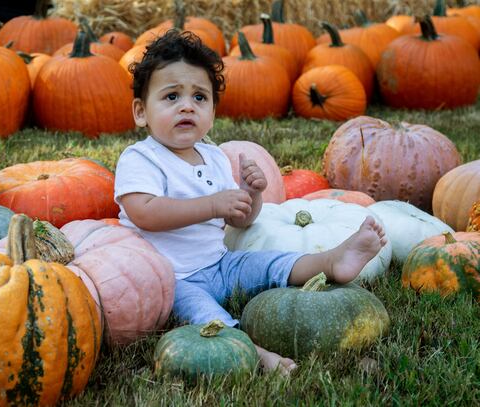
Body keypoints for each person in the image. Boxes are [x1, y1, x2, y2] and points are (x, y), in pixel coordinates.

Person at [114, 30, 387, 375]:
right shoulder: (141, 158)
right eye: (171, 97)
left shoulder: (212, 156)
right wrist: (214, 204)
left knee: (269, 263)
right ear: (141, 111)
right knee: (204, 316)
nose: (187, 105)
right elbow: (145, 213)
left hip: (220, 264)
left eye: (199, 97)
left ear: (212, 112)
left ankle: (332, 260)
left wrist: (251, 195)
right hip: (171, 278)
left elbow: (241, 220)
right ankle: (255, 352)